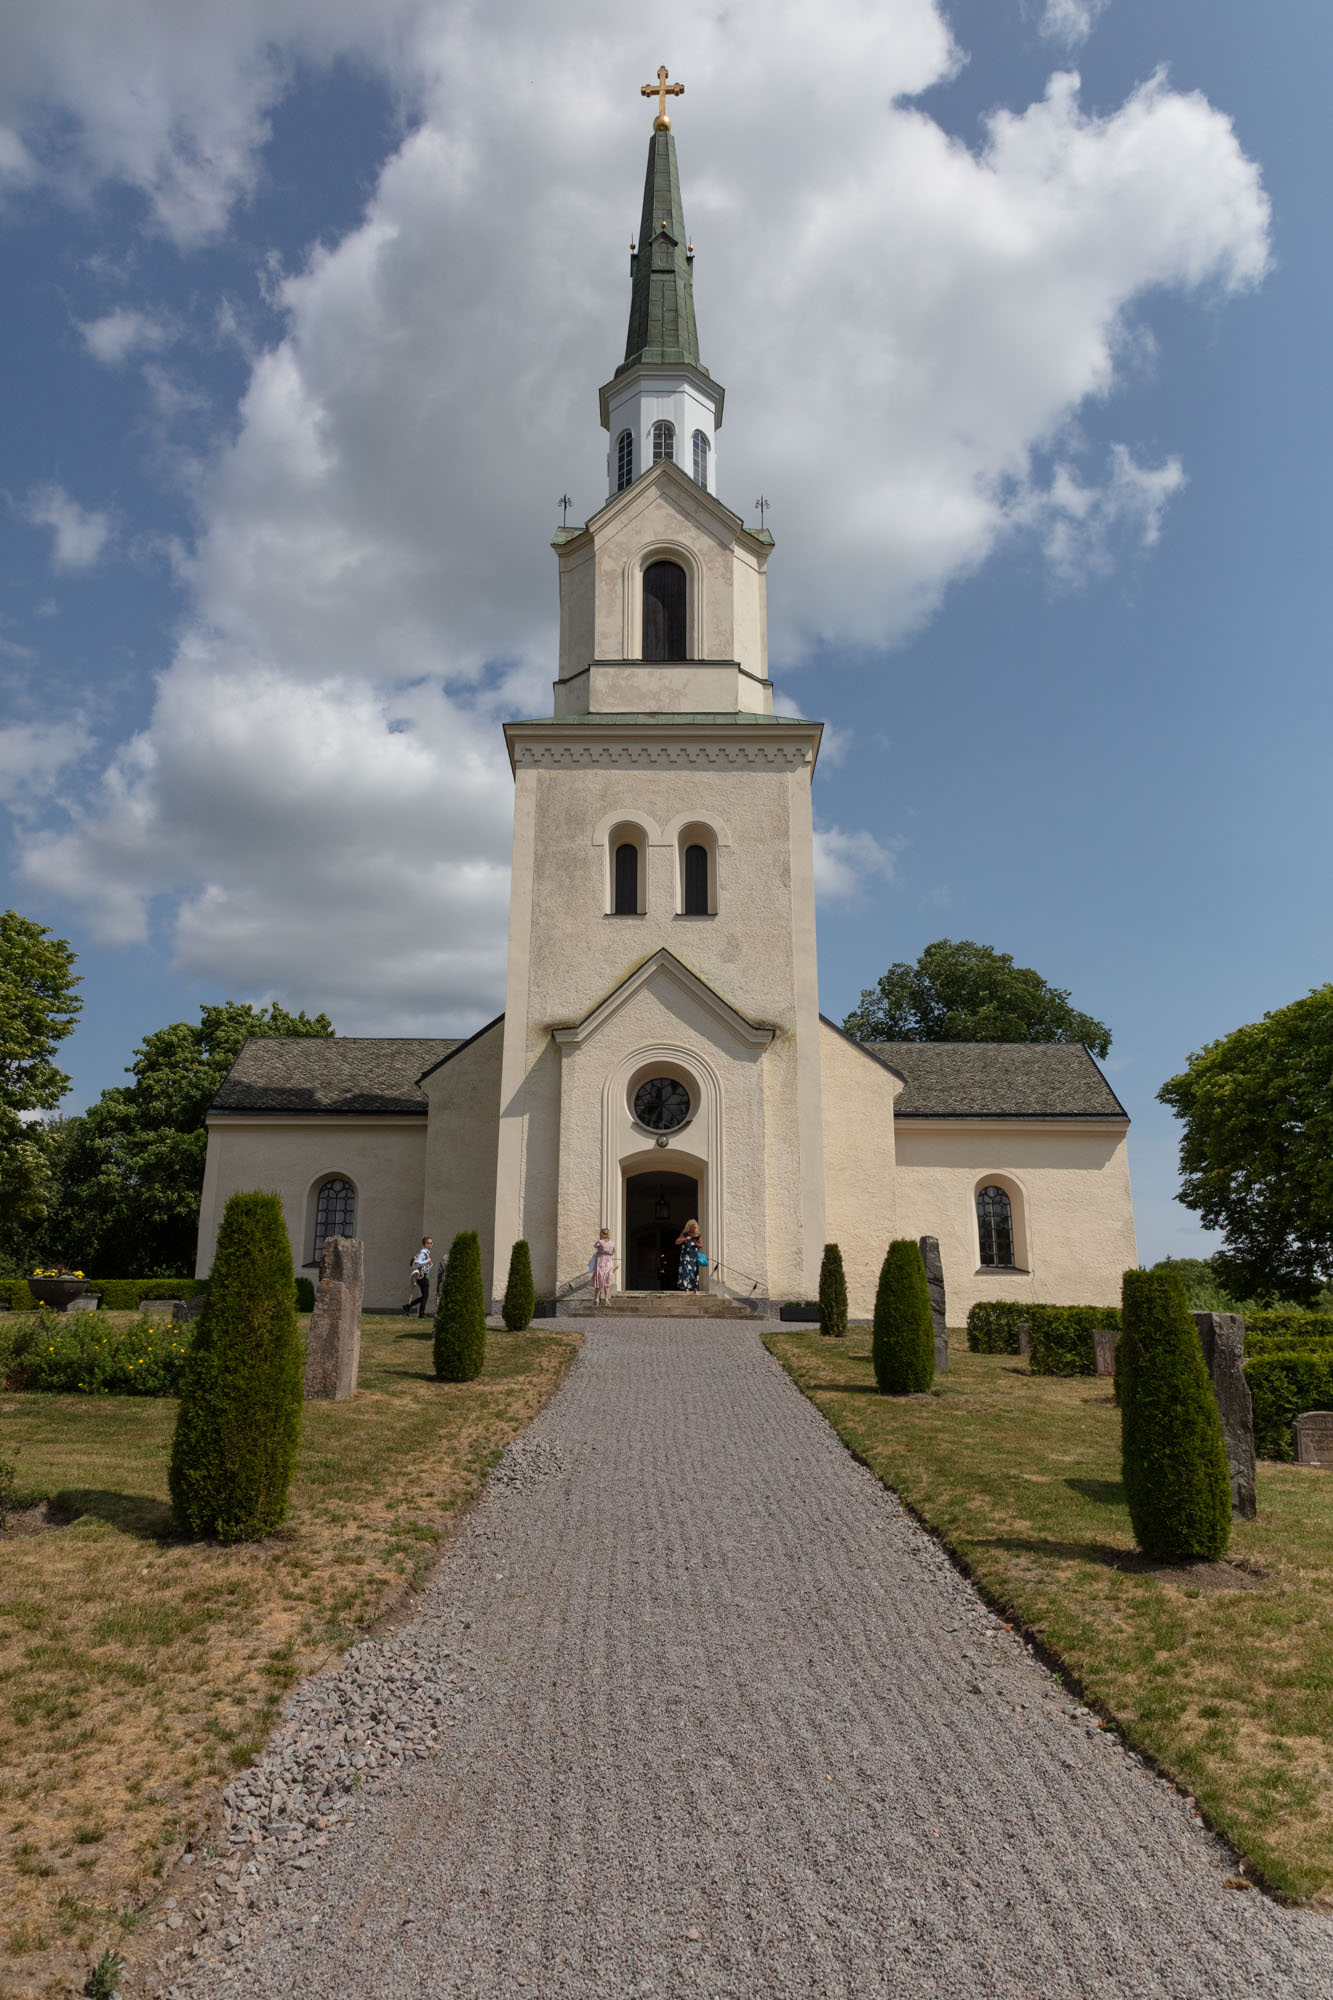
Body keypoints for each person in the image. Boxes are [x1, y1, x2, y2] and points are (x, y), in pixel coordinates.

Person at [405, 1236, 433, 1316]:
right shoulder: (423, 1253)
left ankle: (408, 1306)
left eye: (431, 1243)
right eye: (428, 1243)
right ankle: (421, 1314)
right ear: (424, 1244)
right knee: (425, 1296)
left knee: (424, 1296)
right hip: (422, 1276)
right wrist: (427, 1260)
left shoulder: (426, 1253)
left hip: (423, 1275)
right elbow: (418, 1263)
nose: (430, 1245)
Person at [675, 1219, 704, 1293]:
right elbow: (677, 1242)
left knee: (694, 1272)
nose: (692, 1229)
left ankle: (695, 1289)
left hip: (694, 1256)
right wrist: (684, 1239)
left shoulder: (698, 1235)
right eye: (691, 1227)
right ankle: (686, 1288)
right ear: (688, 1227)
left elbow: (701, 1245)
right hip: (685, 1256)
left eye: (693, 1227)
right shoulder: (685, 1234)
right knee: (686, 1271)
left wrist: (695, 1243)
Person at [591, 1226, 616, 1306]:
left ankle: (597, 1299)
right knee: (607, 1281)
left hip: (601, 1261)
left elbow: (595, 1246)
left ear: (602, 1234)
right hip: (609, 1262)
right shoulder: (612, 1243)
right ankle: (606, 1299)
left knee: (599, 1280)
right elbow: (613, 1252)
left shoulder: (600, 1242)